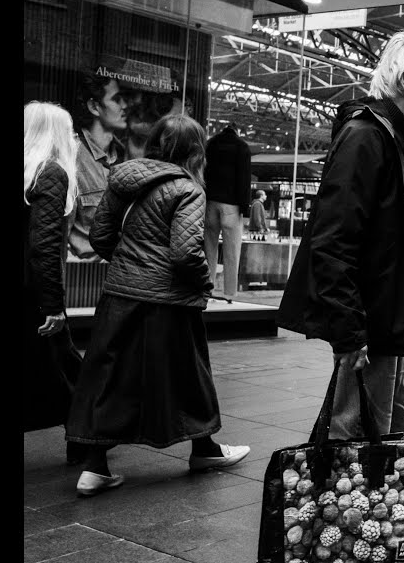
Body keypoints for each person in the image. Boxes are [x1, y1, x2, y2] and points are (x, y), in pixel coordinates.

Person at [277, 31, 404, 563]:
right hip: (370, 325)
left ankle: (363, 548)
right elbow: (332, 241)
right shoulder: (365, 138)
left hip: (385, 323)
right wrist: (349, 331)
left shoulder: (388, 137)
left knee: (383, 432)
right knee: (351, 436)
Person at [67, 114, 250, 498]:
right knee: (189, 375)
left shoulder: (122, 178)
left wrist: (130, 266)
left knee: (111, 376)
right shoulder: (187, 189)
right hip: (168, 304)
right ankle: (204, 450)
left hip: (119, 297)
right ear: (195, 150)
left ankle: (94, 468)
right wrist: (205, 282)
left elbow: (101, 236)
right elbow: (186, 254)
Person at [23, 101, 86, 465]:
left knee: (64, 369)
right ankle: (85, 448)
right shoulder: (50, 174)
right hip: (33, 296)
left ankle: (85, 445)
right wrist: (53, 305)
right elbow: (44, 245)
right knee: (68, 373)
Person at [69, 71, 128, 261]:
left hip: (119, 273)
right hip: (81, 276)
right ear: (94, 106)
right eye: (117, 99)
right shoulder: (72, 155)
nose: (124, 106)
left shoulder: (125, 157)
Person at [203, 122, 253, 303]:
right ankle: (229, 293)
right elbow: (244, 178)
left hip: (210, 201)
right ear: (237, 131)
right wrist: (244, 207)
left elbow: (204, 171)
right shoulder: (242, 147)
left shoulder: (211, 144)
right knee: (232, 250)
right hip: (231, 206)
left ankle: (207, 286)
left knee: (209, 246)